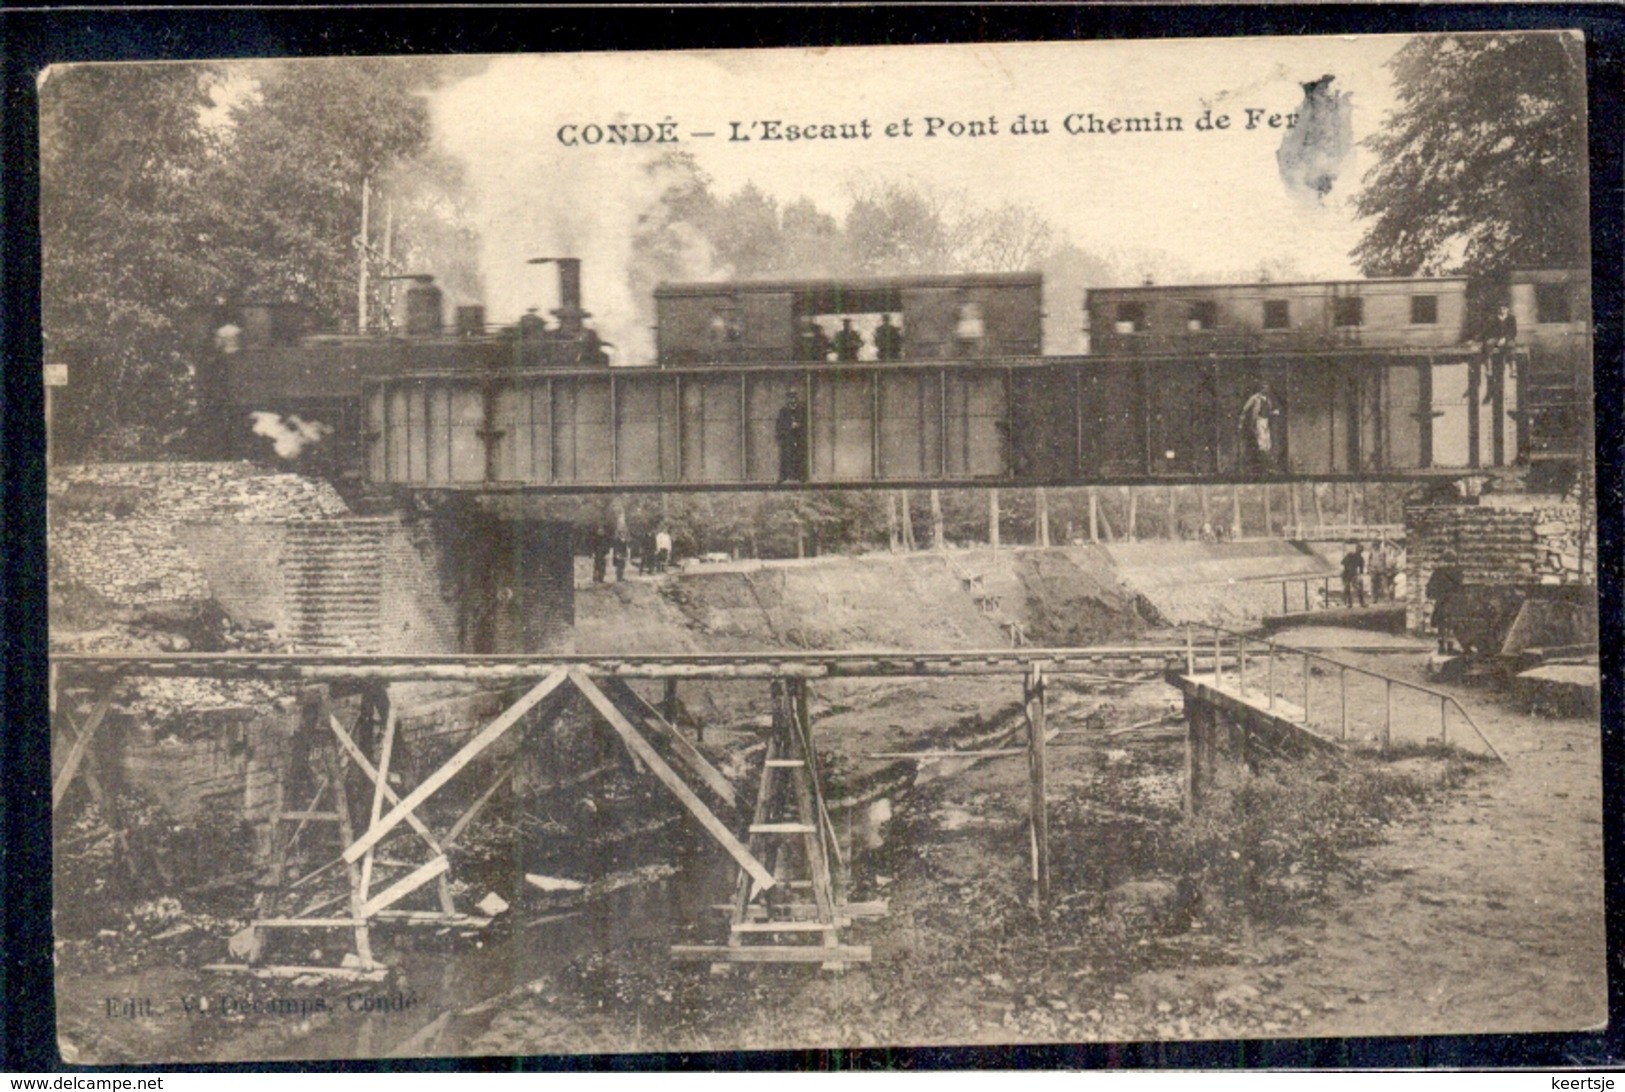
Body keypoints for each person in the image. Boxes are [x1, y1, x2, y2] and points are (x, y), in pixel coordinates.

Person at [1425, 549, 1465, 653]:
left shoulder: (1438, 572)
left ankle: (1442, 647)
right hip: (1452, 602)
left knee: (1442, 624)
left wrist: (1432, 595)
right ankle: (1449, 647)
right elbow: (1461, 587)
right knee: (1450, 625)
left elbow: (1430, 586)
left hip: (1442, 601)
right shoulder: (1458, 572)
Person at [1239, 383, 1281, 477]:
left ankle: (1267, 466)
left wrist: (1273, 412)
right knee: (1261, 443)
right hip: (1259, 421)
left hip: (1266, 421)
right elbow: (1245, 408)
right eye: (1264, 388)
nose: (1266, 390)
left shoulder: (1268, 399)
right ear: (1260, 389)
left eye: (1267, 388)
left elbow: (1267, 410)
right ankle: (1262, 466)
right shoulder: (1255, 398)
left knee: (1267, 443)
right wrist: (1243, 420)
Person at [1480, 302, 1518, 405]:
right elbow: (1488, 331)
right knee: (1488, 344)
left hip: (1506, 339)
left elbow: (1513, 332)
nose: (1502, 310)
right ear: (1498, 309)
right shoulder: (1493, 318)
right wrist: (1496, 340)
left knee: (1511, 346)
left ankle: (1512, 368)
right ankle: (1489, 368)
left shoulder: (1511, 318)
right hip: (1495, 338)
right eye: (1501, 308)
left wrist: (1505, 339)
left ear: (1508, 309)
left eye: (1504, 308)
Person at [776, 389, 807, 482]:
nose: (792, 400)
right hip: (788, 436)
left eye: (794, 398)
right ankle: (783, 476)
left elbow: (806, 422)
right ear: (787, 399)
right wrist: (789, 426)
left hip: (799, 436)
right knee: (785, 456)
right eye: (790, 398)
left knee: (800, 455)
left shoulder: (802, 409)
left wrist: (799, 425)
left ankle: (801, 476)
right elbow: (780, 423)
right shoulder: (783, 410)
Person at [1340, 542, 1366, 608]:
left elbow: (1361, 570)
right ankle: (1349, 603)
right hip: (1347, 574)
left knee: (1358, 588)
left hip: (1354, 574)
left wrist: (1359, 576)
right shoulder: (1351, 555)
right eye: (1358, 549)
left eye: (1361, 550)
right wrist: (1347, 569)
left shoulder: (1361, 559)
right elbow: (1343, 563)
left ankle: (1361, 603)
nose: (1359, 551)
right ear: (1356, 549)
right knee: (1347, 588)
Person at [1368, 537, 1394, 602]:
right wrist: (1369, 568)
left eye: (1377, 543)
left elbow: (1387, 560)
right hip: (1373, 570)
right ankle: (1374, 599)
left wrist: (1388, 569)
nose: (1375, 545)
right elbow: (1369, 559)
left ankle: (1387, 598)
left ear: (1379, 544)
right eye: (1374, 544)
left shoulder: (1383, 550)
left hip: (1382, 570)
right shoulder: (1372, 550)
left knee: (1384, 584)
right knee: (1373, 585)